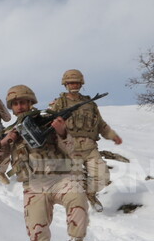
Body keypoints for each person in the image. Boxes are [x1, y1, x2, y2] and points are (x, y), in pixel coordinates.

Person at [0, 85, 89, 241]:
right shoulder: (10, 132)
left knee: (77, 197)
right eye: (16, 103)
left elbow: (73, 150)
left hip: (60, 179)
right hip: (34, 186)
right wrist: (5, 141)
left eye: (23, 102)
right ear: (12, 107)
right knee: (37, 232)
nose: (20, 106)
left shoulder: (47, 120)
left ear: (31, 103)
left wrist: (62, 132)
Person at [48, 69, 122, 212]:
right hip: (70, 147)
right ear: (65, 84)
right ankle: (78, 205)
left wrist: (113, 136)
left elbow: (100, 124)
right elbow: (50, 124)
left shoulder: (90, 104)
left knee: (103, 176)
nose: (74, 85)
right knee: (75, 180)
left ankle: (91, 194)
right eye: (70, 83)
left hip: (89, 147)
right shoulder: (60, 103)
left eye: (76, 82)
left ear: (81, 83)